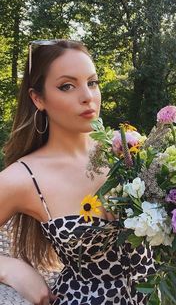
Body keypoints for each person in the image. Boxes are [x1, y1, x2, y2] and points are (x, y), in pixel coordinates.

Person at [0, 40, 156, 305]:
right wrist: (9, 268)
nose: (87, 96)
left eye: (92, 82)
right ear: (38, 98)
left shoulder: (128, 150)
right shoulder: (24, 178)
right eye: (67, 86)